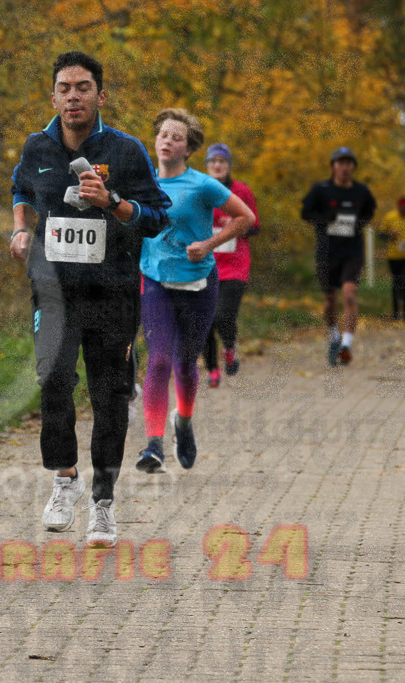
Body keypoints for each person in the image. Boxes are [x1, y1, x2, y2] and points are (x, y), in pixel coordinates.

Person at [10, 51, 171, 544]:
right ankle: (65, 480)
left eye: (83, 87)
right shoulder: (38, 147)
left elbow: (158, 217)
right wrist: (19, 229)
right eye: (64, 87)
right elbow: (20, 188)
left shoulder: (125, 151)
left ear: (100, 95)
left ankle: (103, 502)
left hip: (113, 294)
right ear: (53, 95)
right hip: (54, 291)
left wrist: (114, 204)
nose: (73, 96)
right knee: (53, 379)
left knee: (108, 397)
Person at [136, 110, 255, 474]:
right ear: (155, 141)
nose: (167, 140)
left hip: (198, 284)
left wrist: (209, 243)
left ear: (188, 148)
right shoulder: (142, 184)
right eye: (163, 135)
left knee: (185, 366)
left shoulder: (203, 184)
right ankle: (153, 445)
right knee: (158, 361)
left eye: (177, 137)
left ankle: (183, 424)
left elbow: (245, 218)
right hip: (154, 281)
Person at [301, 147, 377, 366]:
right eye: (340, 163)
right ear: (333, 166)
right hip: (327, 251)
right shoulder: (321, 190)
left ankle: (346, 344)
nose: (345, 167)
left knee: (350, 293)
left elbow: (370, 211)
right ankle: (334, 335)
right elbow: (306, 213)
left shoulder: (361, 191)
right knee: (329, 300)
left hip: (352, 250)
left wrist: (359, 222)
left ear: (353, 167)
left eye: (349, 163)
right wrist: (325, 219)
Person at [200, 143, 260, 388]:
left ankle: (229, 347)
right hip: (204, 265)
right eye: (213, 161)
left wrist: (236, 223)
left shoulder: (241, 192)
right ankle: (212, 370)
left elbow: (255, 226)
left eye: (222, 162)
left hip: (234, 266)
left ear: (228, 166)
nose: (217, 165)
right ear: (206, 166)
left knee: (223, 316)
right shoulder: (199, 190)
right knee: (204, 321)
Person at [379, 196, 405, 321]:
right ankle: (396, 312)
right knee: (397, 282)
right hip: (394, 256)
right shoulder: (389, 217)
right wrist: (389, 235)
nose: (404, 210)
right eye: (401, 208)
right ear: (398, 207)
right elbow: (381, 234)